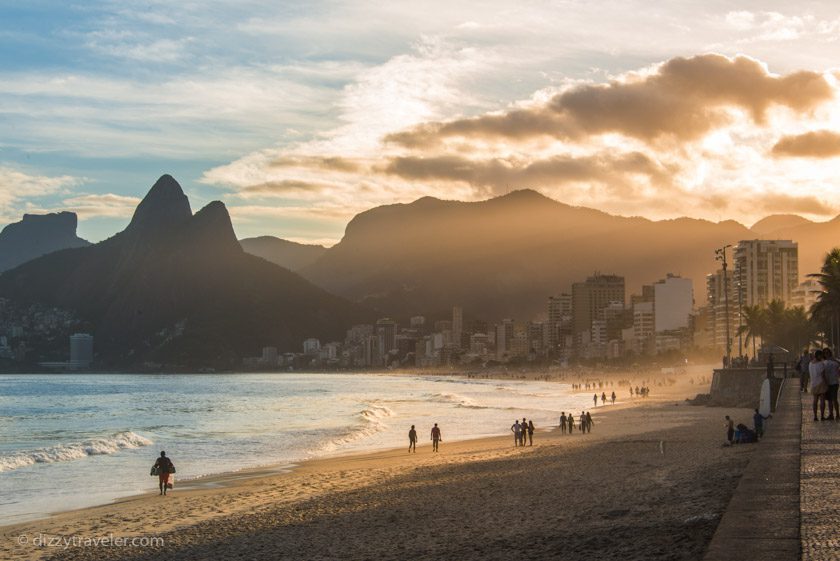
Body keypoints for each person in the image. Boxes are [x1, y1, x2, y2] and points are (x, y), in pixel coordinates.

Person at [809, 350, 828, 421]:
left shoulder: (810, 364)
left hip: (813, 383)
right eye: (821, 355)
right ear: (818, 355)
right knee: (822, 400)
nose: (822, 356)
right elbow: (823, 375)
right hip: (821, 382)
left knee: (815, 400)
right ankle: (822, 416)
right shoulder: (821, 364)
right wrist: (826, 383)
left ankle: (815, 416)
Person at [823, 348, 839, 421]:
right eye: (825, 353)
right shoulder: (834, 362)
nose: (826, 354)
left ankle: (836, 414)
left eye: (827, 353)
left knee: (833, 400)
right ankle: (832, 414)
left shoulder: (824, 363)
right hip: (830, 383)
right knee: (831, 400)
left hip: (832, 383)